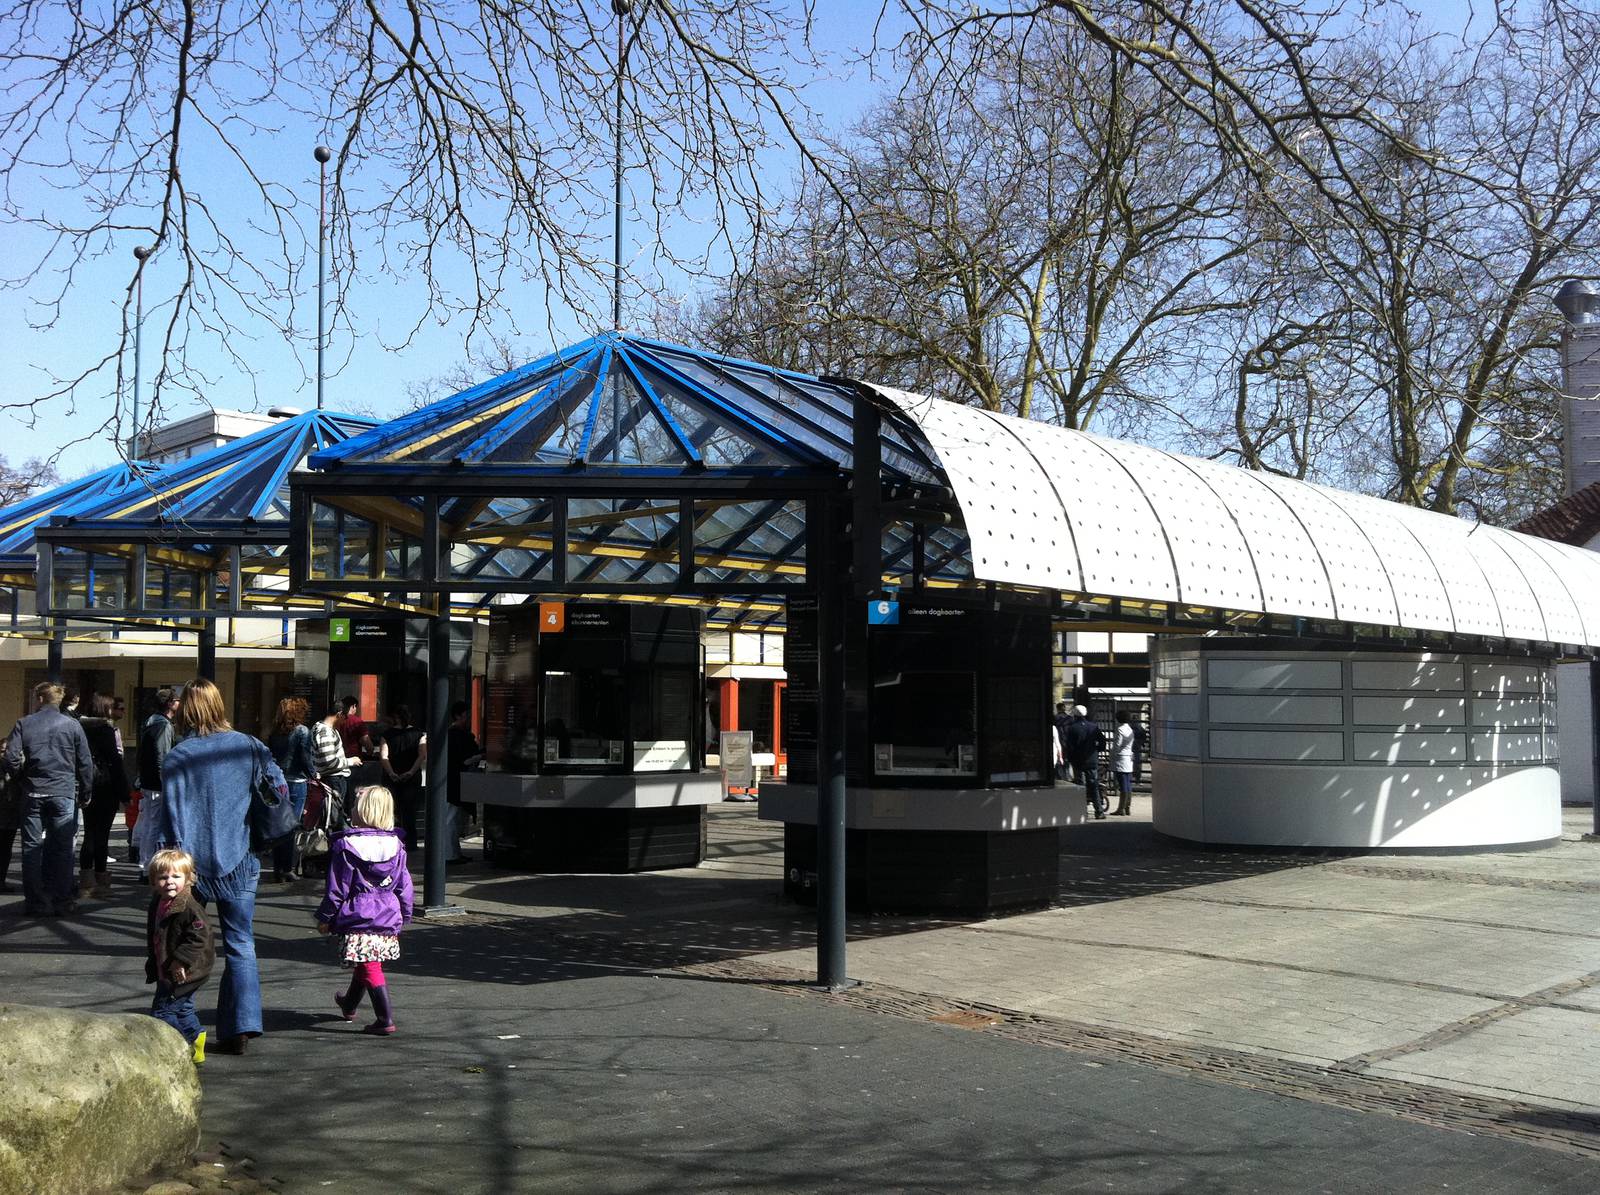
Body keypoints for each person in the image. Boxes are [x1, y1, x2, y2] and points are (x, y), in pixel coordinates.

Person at [155, 677, 288, 1055]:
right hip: (242, 858)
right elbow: (277, 791)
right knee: (241, 942)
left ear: (189, 710)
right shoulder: (249, 746)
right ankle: (241, 1027)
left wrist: (169, 861)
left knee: (182, 941)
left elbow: (172, 815)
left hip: (190, 865)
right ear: (218, 705)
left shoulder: (180, 756)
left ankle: (178, 1023)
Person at [318, 785, 413, 1036]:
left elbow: (337, 888)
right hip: (388, 912)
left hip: (358, 914)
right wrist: (405, 913)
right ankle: (349, 1003)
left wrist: (325, 917)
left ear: (362, 811)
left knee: (370, 964)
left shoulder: (347, 846)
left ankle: (385, 1019)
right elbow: (405, 885)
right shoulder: (397, 845)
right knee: (367, 960)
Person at [3, 681, 94, 916]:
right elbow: (85, 762)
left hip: (33, 790)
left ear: (40, 698)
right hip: (62, 790)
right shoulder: (72, 726)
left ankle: (35, 901)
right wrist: (85, 791)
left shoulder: (24, 723)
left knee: (31, 847)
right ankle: (61, 899)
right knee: (62, 848)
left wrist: (21, 778)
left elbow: (11, 757)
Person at [144, 847, 214, 1066]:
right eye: (163, 877)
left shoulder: (189, 907)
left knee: (162, 1013)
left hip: (185, 971)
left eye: (176, 876)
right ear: (154, 881)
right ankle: (197, 1037)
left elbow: (199, 937)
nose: (170, 882)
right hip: (165, 965)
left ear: (189, 878)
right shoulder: (159, 901)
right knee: (183, 1009)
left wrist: (181, 961)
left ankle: (180, 1044)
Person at [77, 694, 126, 899]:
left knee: (88, 832)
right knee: (102, 835)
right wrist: (124, 791)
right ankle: (101, 880)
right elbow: (115, 763)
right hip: (105, 786)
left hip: (87, 784)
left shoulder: (80, 729)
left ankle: (86, 881)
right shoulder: (105, 731)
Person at [266, 697, 317, 884]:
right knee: (290, 826)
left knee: (279, 826)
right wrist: (314, 774)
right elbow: (305, 756)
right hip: (296, 781)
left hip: (277, 781)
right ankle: (287, 868)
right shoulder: (302, 731)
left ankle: (278, 867)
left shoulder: (274, 732)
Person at [134, 688, 180, 878]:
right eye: (177, 700)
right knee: (153, 824)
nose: (180, 703)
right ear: (170, 703)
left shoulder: (150, 722)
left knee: (148, 823)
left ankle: (146, 863)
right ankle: (147, 866)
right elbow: (162, 755)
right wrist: (164, 780)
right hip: (156, 784)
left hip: (148, 780)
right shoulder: (163, 725)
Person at [378, 706, 425, 851]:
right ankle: (411, 843)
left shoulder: (387, 734)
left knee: (392, 810)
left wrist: (391, 773)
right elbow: (422, 755)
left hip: (392, 777)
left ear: (395, 718)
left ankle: (394, 842)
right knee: (410, 811)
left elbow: (383, 756)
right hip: (411, 777)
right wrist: (411, 772)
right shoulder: (419, 734)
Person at [312, 700, 357, 824]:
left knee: (334, 817)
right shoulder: (325, 731)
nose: (345, 721)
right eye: (345, 717)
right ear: (339, 714)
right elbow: (329, 761)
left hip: (332, 779)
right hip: (334, 779)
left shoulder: (324, 729)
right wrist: (350, 761)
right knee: (335, 819)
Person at [1063, 704, 1107, 820]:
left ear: (1075, 715)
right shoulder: (1093, 727)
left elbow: (1069, 747)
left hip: (1078, 761)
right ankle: (1099, 811)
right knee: (1094, 785)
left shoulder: (1072, 728)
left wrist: (1070, 759)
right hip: (1092, 760)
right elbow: (1102, 742)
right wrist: (1097, 750)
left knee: (1080, 786)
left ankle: (1082, 812)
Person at [1111, 710, 1136, 816]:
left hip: (1120, 758)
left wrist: (1111, 755)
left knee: (1122, 784)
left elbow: (1117, 745)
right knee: (1128, 783)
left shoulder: (1120, 729)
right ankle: (1127, 807)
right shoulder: (1130, 729)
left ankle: (1121, 808)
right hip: (1128, 758)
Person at [1052, 702, 1074, 782]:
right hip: (1068, 742)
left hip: (1058, 742)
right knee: (1067, 760)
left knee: (1058, 761)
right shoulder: (1070, 719)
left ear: (1057, 709)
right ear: (1064, 708)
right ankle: (1068, 776)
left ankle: (1059, 777)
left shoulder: (1054, 718)